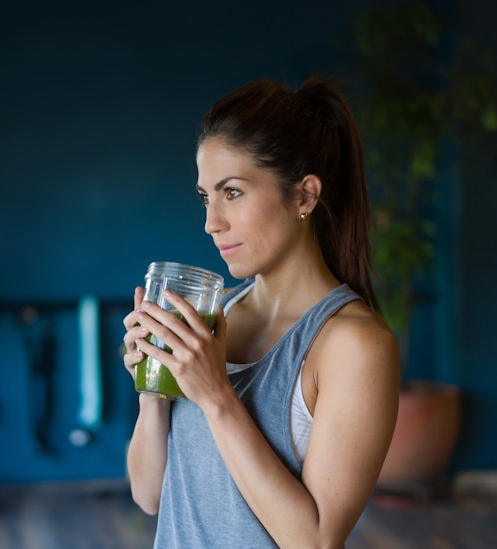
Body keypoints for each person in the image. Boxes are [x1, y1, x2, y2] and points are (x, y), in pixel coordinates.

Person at [122, 77, 400, 548]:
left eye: (232, 192)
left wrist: (216, 395)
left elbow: (315, 541)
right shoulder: (212, 318)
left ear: (305, 196)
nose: (211, 223)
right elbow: (149, 496)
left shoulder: (354, 345)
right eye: (206, 197)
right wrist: (153, 389)